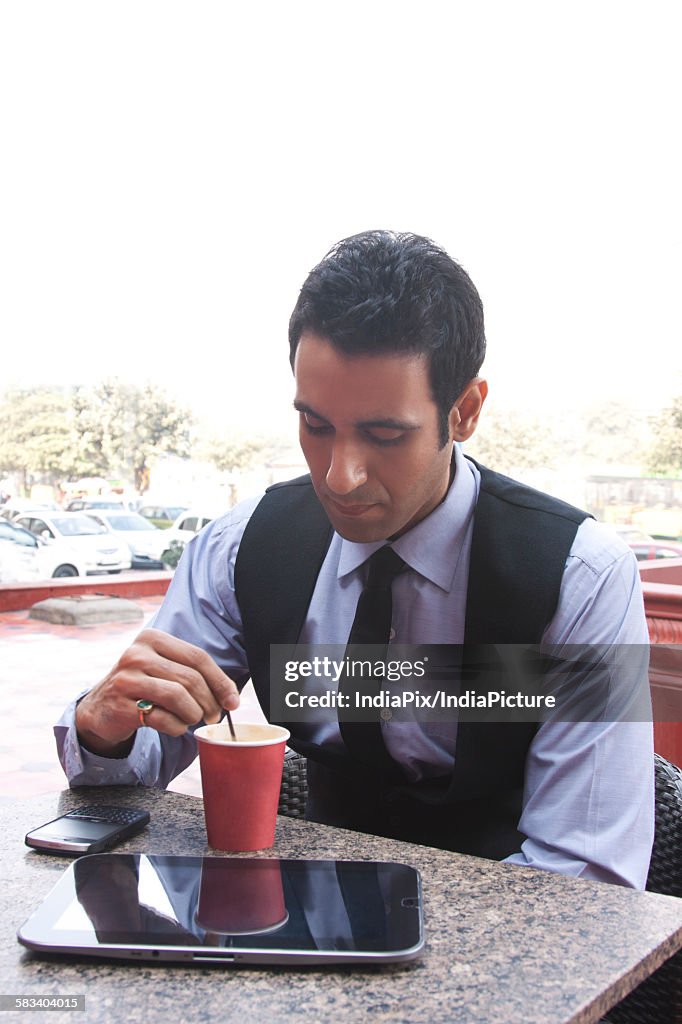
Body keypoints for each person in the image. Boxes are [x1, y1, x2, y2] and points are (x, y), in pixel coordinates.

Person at [55, 230, 654, 886]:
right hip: (296, 917)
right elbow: (121, 777)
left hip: (505, 935)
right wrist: (104, 728)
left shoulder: (576, 577)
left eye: (384, 434)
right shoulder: (243, 548)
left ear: (465, 411)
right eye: (316, 426)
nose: (340, 478)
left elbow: (588, 874)